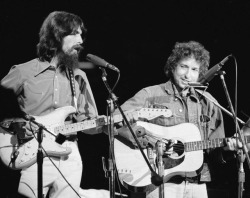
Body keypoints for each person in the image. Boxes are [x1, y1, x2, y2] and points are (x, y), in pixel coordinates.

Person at [114, 41, 238, 198]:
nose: (188, 75)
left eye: (194, 69)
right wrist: (154, 142)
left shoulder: (208, 102)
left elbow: (214, 150)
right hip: (160, 181)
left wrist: (228, 148)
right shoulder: (150, 94)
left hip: (197, 182)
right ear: (172, 67)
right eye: (183, 67)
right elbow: (115, 122)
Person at [0, 11, 101, 198]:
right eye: (74, 33)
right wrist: (17, 124)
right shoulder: (24, 72)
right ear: (56, 36)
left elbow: (89, 124)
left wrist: (107, 125)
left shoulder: (79, 76)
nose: (81, 39)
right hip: (30, 151)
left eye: (81, 34)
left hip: (69, 152)